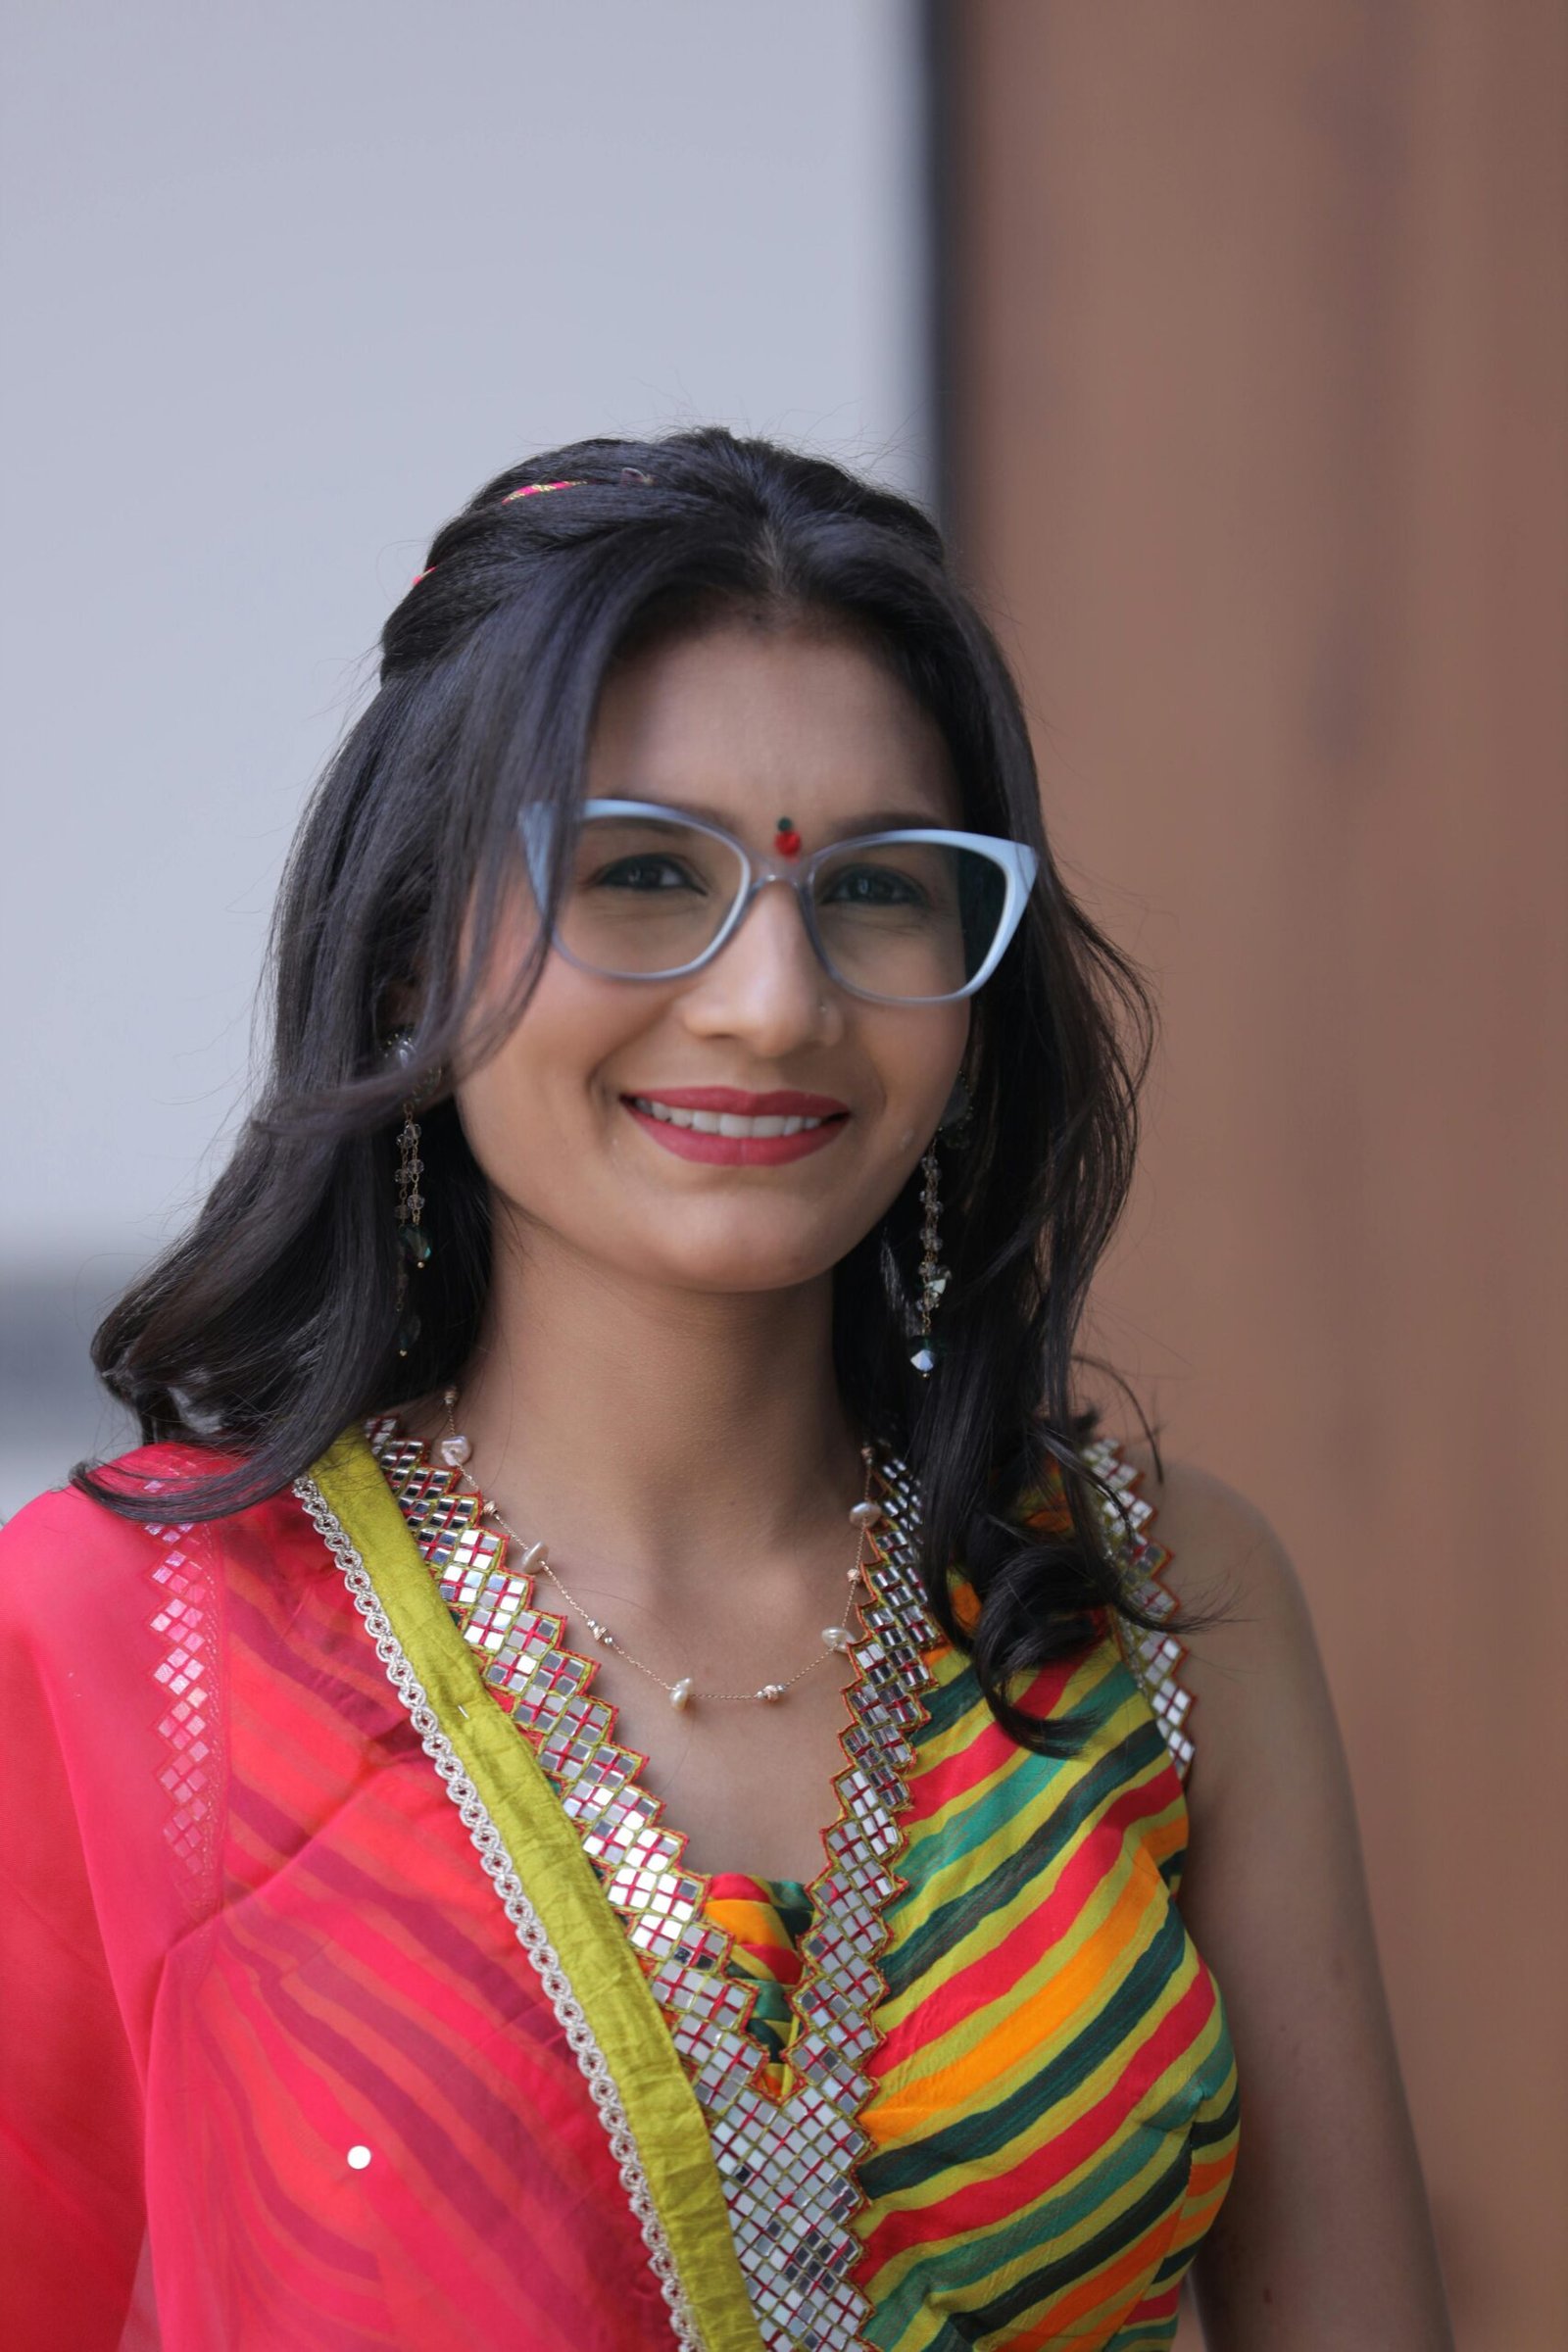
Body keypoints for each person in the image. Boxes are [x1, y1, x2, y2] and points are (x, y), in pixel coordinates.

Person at [0, 430, 1451, 2351]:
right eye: (634, 872)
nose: (772, 999)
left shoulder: (1146, 1604)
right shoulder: (130, 1651)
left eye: (876, 891)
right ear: (403, 955)